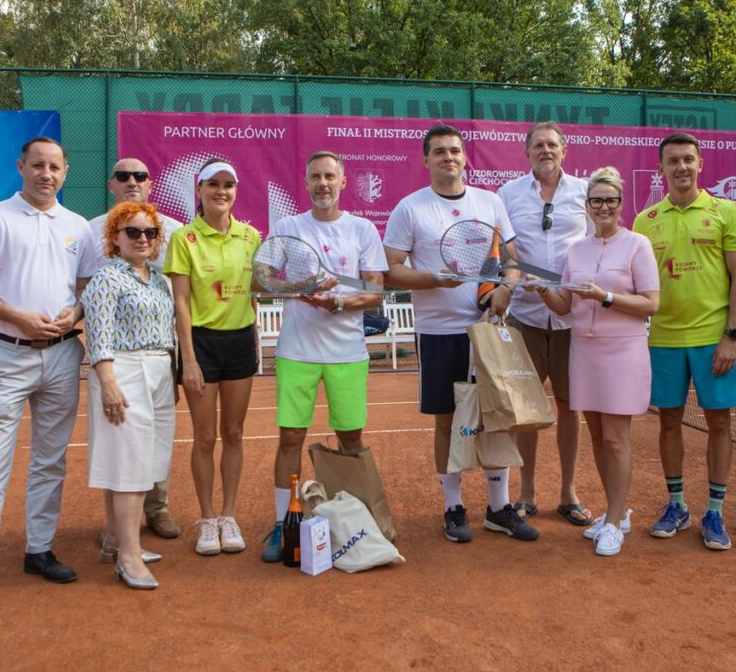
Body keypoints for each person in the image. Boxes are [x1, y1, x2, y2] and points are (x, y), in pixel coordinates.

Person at [0, 137, 96, 621]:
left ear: (65, 171)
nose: (46, 174)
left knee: (50, 462)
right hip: (6, 355)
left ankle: (39, 550)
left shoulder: (77, 226)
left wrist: (74, 312)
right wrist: (18, 318)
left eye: (55, 166)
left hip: (62, 355)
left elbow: (85, 289)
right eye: (38, 165)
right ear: (21, 167)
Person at [384, 123, 538, 543]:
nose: (448, 157)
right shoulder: (410, 208)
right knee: (447, 421)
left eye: (454, 150)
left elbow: (512, 259)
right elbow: (390, 270)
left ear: (464, 157)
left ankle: (499, 508)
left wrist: (506, 289)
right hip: (438, 332)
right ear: (426, 159)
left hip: (486, 330)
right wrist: (432, 279)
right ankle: (453, 507)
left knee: (496, 419)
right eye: (439, 151)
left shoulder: (490, 202)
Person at [259, 151, 388, 562]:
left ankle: (360, 522)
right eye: (315, 177)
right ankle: (283, 523)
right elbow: (262, 279)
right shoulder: (288, 227)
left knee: (351, 439)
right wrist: (301, 288)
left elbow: (375, 291)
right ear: (306, 182)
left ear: (343, 181)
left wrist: (338, 303)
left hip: (347, 353)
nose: (323, 184)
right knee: (290, 438)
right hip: (296, 352)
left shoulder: (362, 229)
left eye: (330, 176)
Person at [632, 131, 736, 551]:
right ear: (661, 168)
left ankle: (714, 511)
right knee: (668, 420)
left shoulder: (725, 212)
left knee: (719, 422)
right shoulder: (645, 221)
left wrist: (731, 336)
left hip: (713, 338)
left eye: (688, 159)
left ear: (700, 164)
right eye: (673, 160)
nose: (681, 166)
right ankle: (677, 504)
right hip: (663, 339)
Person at [538, 167, 659, 556]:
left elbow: (650, 304)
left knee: (615, 439)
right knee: (596, 437)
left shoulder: (638, 244)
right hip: (583, 351)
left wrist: (604, 296)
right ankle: (615, 512)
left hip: (623, 352)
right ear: (587, 206)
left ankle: (615, 522)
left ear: (621, 204)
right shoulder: (577, 250)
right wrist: (544, 289)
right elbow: (565, 305)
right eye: (596, 200)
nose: (603, 207)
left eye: (610, 200)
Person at [497, 120, 594, 526]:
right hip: (525, 315)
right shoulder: (507, 195)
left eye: (552, 144)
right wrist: (514, 282)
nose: (545, 151)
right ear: (527, 152)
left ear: (564, 150)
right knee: (526, 409)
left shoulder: (585, 192)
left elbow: (596, 245)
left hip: (572, 317)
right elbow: (505, 252)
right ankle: (526, 493)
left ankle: (569, 493)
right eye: (538, 145)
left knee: (570, 406)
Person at [164, 159, 260, 556]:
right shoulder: (183, 238)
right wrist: (188, 358)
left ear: (236, 190)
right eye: (213, 184)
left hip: (240, 343)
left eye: (228, 185)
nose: (221, 191)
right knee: (205, 437)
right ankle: (206, 519)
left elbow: (255, 292)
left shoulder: (250, 236)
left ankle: (228, 515)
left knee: (234, 433)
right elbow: (181, 304)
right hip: (201, 344)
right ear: (199, 190)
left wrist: (255, 340)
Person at [88, 158, 185, 540]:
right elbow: (88, 288)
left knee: (155, 441)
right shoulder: (91, 231)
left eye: (140, 175)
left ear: (150, 183)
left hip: (160, 355)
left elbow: (179, 295)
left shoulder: (173, 231)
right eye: (123, 175)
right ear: (111, 184)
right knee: (124, 450)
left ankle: (156, 510)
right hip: (122, 360)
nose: (132, 180)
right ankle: (118, 533)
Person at [82, 201, 176, 589]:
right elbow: (99, 335)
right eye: (132, 232)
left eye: (149, 232)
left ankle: (114, 540)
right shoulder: (107, 277)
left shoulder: (159, 279)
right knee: (130, 467)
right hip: (124, 370)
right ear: (115, 238)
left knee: (144, 462)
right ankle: (129, 557)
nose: (142, 239)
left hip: (159, 371)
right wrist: (108, 382)